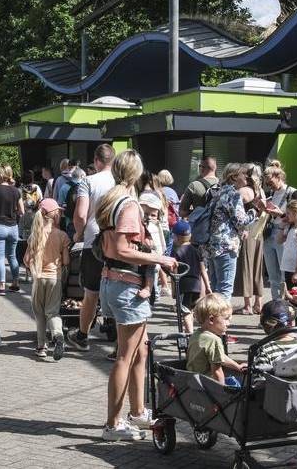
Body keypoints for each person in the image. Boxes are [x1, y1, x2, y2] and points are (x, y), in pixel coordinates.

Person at [94, 149, 177, 440]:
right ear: (137, 173)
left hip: (114, 282)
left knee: (140, 350)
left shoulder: (109, 199)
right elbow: (120, 249)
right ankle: (113, 424)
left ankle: (137, 412)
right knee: (125, 356)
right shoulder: (127, 204)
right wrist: (159, 259)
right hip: (125, 285)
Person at [65, 144, 117, 352]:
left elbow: (80, 215)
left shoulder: (88, 181)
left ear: (96, 161)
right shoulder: (121, 182)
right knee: (116, 289)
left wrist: (78, 233)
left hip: (93, 241)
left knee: (91, 293)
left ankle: (83, 335)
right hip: (117, 241)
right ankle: (117, 339)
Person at [201, 163, 258, 301]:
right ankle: (221, 320)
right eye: (243, 174)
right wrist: (254, 211)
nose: (246, 177)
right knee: (225, 289)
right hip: (226, 245)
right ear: (234, 176)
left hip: (212, 246)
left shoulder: (219, 192)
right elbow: (241, 221)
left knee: (215, 288)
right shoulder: (233, 194)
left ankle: (212, 318)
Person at [23, 198, 70, 360]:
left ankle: (41, 347)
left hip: (38, 279)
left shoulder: (35, 234)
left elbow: (26, 259)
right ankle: (58, 335)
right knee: (52, 312)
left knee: (39, 314)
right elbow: (66, 261)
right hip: (54, 278)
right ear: (55, 215)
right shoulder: (62, 236)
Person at [186, 293, 246, 387]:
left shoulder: (196, 335)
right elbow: (217, 371)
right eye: (226, 319)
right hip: (208, 385)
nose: (228, 324)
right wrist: (222, 392)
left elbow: (220, 356)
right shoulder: (214, 340)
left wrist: (237, 366)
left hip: (193, 382)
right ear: (211, 319)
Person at [235, 164, 269, 314]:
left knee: (246, 265)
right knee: (257, 266)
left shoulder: (244, 191)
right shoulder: (260, 190)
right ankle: (258, 303)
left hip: (248, 230)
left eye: (241, 172)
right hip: (258, 230)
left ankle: (248, 305)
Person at [261, 166, 297, 301]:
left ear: (279, 177)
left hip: (284, 234)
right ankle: (276, 304)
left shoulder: (292, 193)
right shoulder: (270, 193)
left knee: (284, 274)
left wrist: (281, 214)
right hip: (268, 233)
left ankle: (286, 305)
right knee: (272, 276)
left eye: (270, 182)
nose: (269, 185)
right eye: (267, 183)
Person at [0, 165, 24, 293]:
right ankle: (15, 283)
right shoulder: (16, 191)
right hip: (13, 227)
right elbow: (22, 211)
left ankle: (2, 285)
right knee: (12, 256)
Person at [170, 220, 209, 333]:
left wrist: (174, 291)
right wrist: (207, 286)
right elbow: (203, 270)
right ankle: (196, 332)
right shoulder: (196, 251)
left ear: (177, 237)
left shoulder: (176, 252)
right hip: (196, 285)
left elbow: (175, 272)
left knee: (186, 311)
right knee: (192, 310)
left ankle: (190, 335)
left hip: (184, 286)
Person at [249, 299, 297, 372]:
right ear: (292, 324)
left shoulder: (264, 349)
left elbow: (260, 378)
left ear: (265, 326)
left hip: (276, 383)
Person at [276, 199, 297, 302]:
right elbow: (279, 240)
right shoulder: (290, 227)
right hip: (288, 267)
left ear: (296, 213)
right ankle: (293, 316)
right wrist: (282, 226)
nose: (286, 216)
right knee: (290, 296)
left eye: (288, 213)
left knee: (296, 296)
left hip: (296, 269)